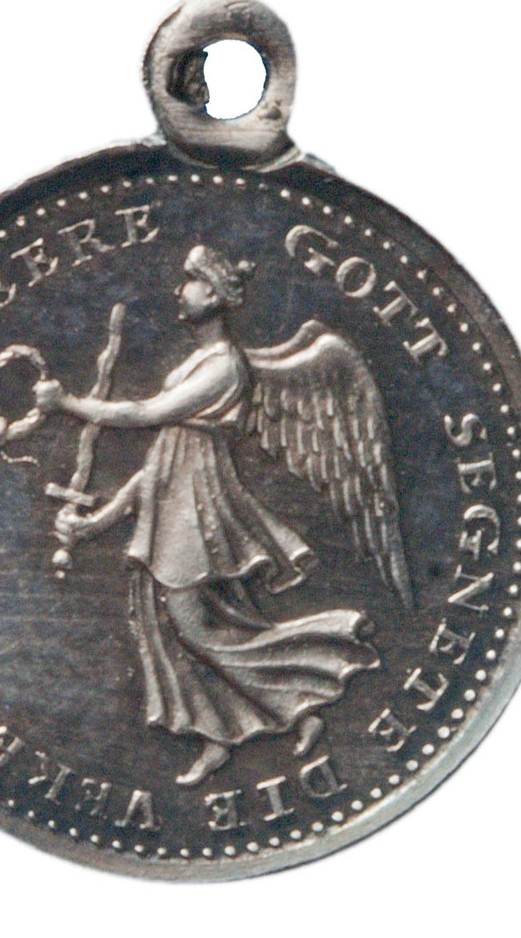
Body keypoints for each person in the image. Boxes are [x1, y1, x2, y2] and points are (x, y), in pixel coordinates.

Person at [34, 245, 378, 786]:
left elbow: (145, 414)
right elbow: (157, 469)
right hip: (176, 494)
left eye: (190, 281)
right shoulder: (195, 364)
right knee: (172, 624)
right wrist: (99, 522)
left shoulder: (223, 367)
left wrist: (67, 404)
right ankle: (217, 735)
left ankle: (302, 700)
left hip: (198, 505)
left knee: (194, 629)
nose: (180, 290)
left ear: (214, 294)